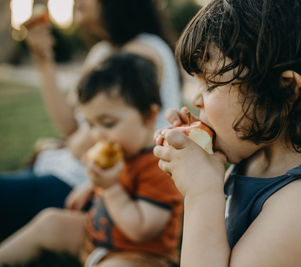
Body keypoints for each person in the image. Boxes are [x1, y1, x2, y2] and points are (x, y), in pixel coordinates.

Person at [153, 0, 301, 266]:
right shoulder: (255, 158)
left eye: (212, 84)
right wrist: (202, 159)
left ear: (284, 90)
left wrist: (202, 193)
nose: (196, 99)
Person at [0, 0, 181, 239]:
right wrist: (44, 60)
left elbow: (78, 146)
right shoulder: (102, 51)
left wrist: (70, 144)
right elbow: (70, 125)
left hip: (97, 187)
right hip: (75, 175)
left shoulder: (141, 53)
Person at [0, 52, 183, 267]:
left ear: (150, 116)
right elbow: (120, 183)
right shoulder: (123, 154)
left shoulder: (160, 165)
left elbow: (142, 230)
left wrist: (110, 188)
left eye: (107, 123)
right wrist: (91, 186)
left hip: (140, 256)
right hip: (98, 237)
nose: (98, 135)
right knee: (50, 221)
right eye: (90, 124)